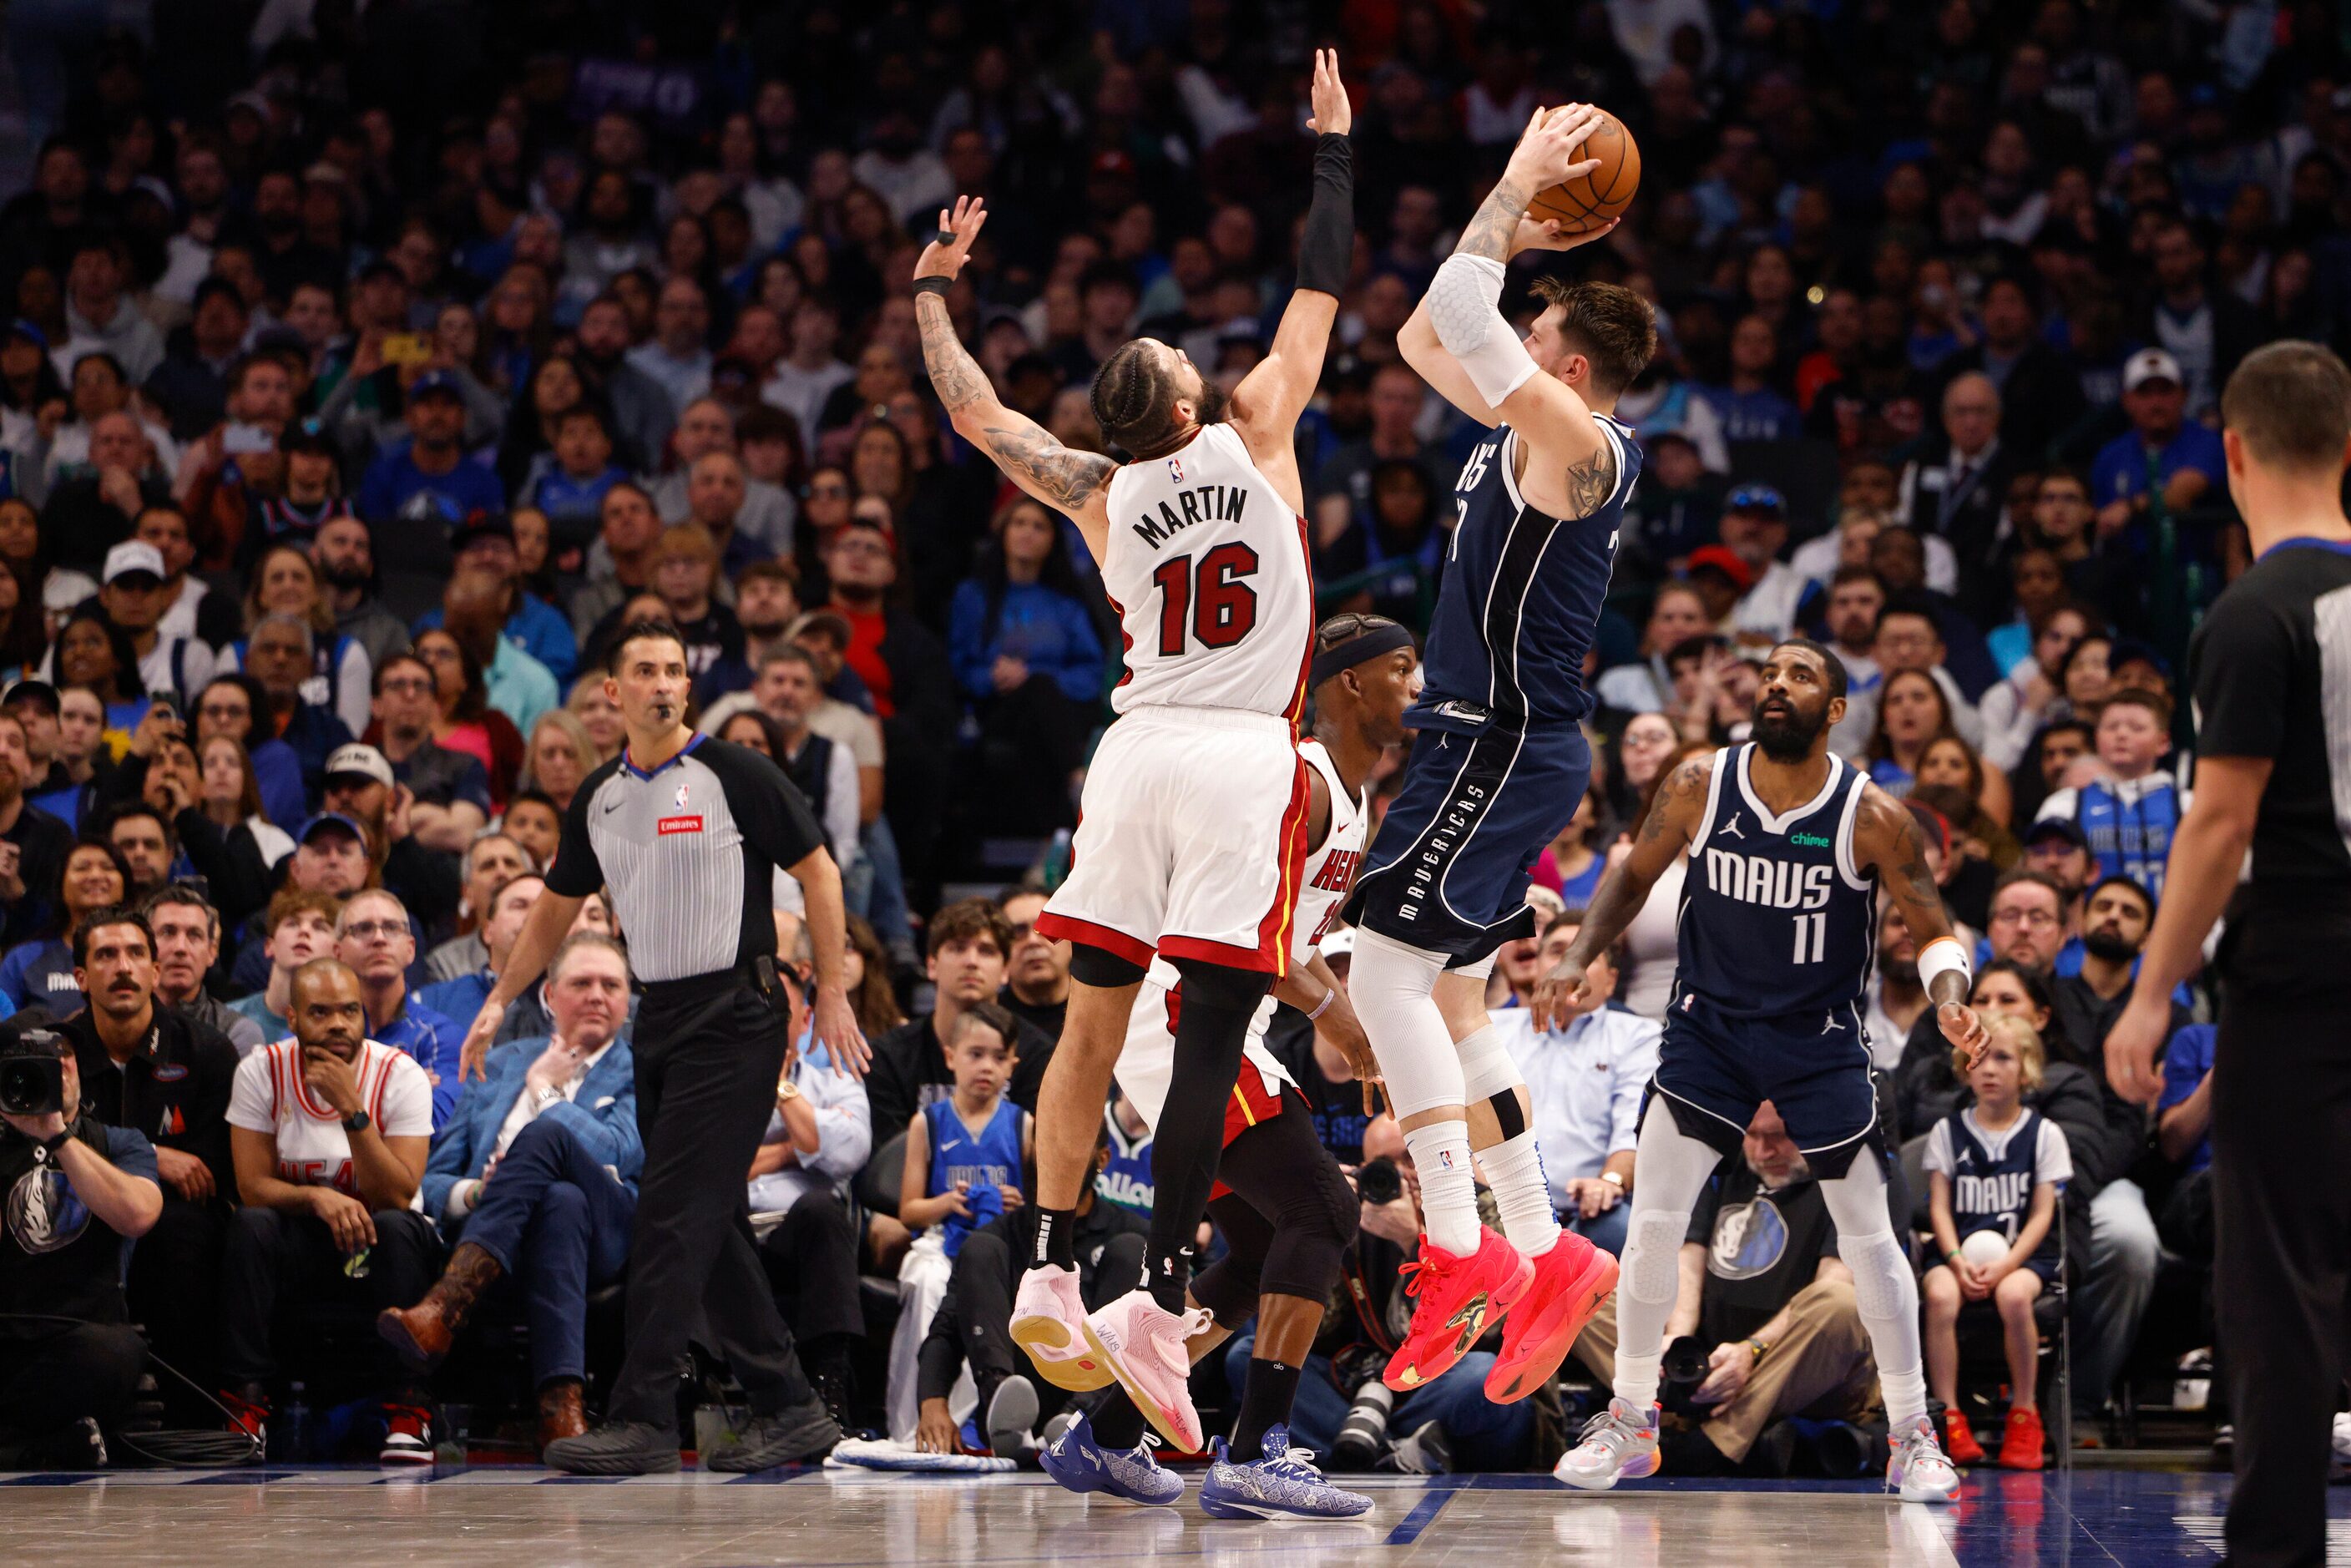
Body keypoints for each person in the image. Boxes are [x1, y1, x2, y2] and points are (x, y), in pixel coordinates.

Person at [912, 57, 1351, 1453]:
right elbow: (1321, 289)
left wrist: (932, 292)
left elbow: (979, 415)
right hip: (1230, 757)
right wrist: (1331, 155)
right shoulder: (1259, 432)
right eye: (1178, 360)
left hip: (1130, 747)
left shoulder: (1096, 490)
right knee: (1212, 1022)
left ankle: (1051, 1255)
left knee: (1092, 1018)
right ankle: (1159, 1294)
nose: (1191, 355)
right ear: (1180, 404)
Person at [1339, 104, 1645, 1405]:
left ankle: (1458, 1252)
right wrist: (1508, 220)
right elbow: (1426, 331)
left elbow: (1465, 317)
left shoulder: (1580, 449)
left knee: (1381, 967)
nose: (1519, 342)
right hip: (1484, 745)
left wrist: (1517, 189)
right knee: (1457, 1009)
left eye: (1538, 340)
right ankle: (1542, 1252)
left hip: (1502, 742)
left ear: (1571, 374)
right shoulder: (1528, 432)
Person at [1540, 640, 1984, 1504]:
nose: (1776, 684)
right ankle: (1631, 1421)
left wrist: (1948, 993)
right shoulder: (1700, 783)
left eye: (1800, 676)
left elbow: (1933, 925)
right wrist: (1580, 953)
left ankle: (1910, 1432)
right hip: (1708, 1031)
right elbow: (1631, 878)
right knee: (1655, 1222)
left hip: (1816, 1040)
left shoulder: (1871, 815)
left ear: (1833, 709)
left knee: (1868, 1239)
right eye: (1769, 672)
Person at [453, 619, 867, 1476]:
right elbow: (558, 904)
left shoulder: (733, 772)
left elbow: (820, 869)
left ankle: (640, 1415)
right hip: (662, 1018)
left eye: (674, 669)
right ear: (612, 692)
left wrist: (827, 990)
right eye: (644, 671)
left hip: (738, 1011)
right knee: (704, 1218)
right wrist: (498, 998)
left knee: (670, 1214)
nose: (662, 683)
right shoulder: (600, 795)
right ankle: (790, 1405)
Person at [1039, 615, 1404, 1512]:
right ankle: (1255, 1451)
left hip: (1216, 1026)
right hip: (1177, 1015)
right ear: (1349, 685)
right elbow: (1249, 939)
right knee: (1322, 1208)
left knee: (1252, 1254)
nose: (1419, 689)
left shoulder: (1348, 798)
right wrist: (1337, 1016)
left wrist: (1346, 1011)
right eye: (1402, 669)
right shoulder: (1299, 782)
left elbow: (1289, 940)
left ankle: (1106, 1437)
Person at [2104, 342, 2351, 1567]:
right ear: (2348, 449)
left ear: (2235, 452)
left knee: (2283, 1280)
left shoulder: (2253, 612)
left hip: (2304, 971)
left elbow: (2220, 819)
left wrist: (2153, 992)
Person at [379, 933, 641, 1455]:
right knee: (558, 1201)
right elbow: (430, 1180)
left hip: (606, 1235)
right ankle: (558, 1407)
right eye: (582, 982)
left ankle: (446, 1307)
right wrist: (477, 1192)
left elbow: (618, 1153)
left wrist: (544, 1090)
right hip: (512, 1236)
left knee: (548, 1142)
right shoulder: (499, 1063)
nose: (597, 995)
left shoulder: (638, 1069)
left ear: (627, 998)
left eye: (611, 985)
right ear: (550, 993)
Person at [1565, 1101, 1894, 1480]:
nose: (1762, 1151)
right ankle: (1662, 1409)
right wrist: (1679, 1341)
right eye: (1752, 1136)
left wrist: (1751, 1351)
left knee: (1840, 1306)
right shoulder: (1723, 1163)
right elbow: (1688, 1258)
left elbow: (1835, 1282)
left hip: (1794, 1364)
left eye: (1778, 1138)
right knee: (1581, 1290)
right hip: (1712, 1356)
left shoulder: (1851, 1174)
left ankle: (1708, 1446)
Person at [219, 956, 438, 1464]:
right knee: (250, 1226)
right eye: (320, 1012)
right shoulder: (261, 1071)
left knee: (398, 1226)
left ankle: (410, 1409)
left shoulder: (399, 1074)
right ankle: (244, 1406)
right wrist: (318, 1196)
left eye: (349, 1011)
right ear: (292, 1019)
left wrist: (352, 1110)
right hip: (301, 1246)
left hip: (386, 1249)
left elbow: (396, 1195)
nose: (339, 1024)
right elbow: (252, 1188)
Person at [59, 903, 240, 1425]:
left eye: (137, 953)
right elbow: (40, 1152)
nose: (124, 967)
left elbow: (210, 1175)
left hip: (173, 1222)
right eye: (107, 955)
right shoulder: (57, 1052)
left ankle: (192, 1415)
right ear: (80, 977)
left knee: (184, 1232)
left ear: (155, 971)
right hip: (77, 1209)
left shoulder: (206, 1052)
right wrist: (152, 1155)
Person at [0, 1014, 160, 1465]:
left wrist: (57, 1135)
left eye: (61, 1053)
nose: (52, 1065)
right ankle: (32, 1449)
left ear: (78, 1068)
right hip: (6, 1330)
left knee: (119, 1351)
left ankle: (13, 1445)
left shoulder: (121, 1142)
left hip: (75, 1338)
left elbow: (138, 1215)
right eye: (27, 1060)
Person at [1922, 1014, 2071, 1473]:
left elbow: (2044, 1215)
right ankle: (1948, 1413)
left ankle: (2025, 1411)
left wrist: (2008, 1266)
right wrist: (1953, 1258)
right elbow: (1940, 1209)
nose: (1988, 1068)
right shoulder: (1947, 1132)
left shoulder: (2045, 1134)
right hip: (1957, 1253)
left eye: (2002, 1058)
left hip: (2021, 1256)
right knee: (1939, 1295)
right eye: (1979, 1057)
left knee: (2013, 1297)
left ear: (2026, 1070)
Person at [747, 916, 872, 1427]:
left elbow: (849, 1151)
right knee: (700, 1211)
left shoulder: (833, 1078)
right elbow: (709, 1167)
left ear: (804, 1019)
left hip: (794, 1235)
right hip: (732, 1230)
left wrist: (781, 1088)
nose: (771, 1018)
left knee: (824, 1208)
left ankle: (830, 1388)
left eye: (784, 1009)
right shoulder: (713, 1085)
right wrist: (796, 1149)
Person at [887, 1002, 1030, 1442]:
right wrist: (946, 1202)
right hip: (938, 1241)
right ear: (950, 1056)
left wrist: (1017, 1204)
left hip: (998, 1249)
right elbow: (908, 1211)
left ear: (1013, 1065)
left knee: (988, 1295)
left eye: (998, 1056)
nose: (986, 1066)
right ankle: (914, 1423)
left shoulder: (1024, 1124)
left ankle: (976, 1423)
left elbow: (1041, 1209)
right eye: (975, 1054)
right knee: (930, 1284)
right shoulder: (925, 1123)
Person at [1508, 908, 1660, 1257]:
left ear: (1610, 979)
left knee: (1624, 1229)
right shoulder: (1494, 1031)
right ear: (1538, 969)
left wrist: (1610, 1183)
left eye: (1586, 955)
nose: (1569, 967)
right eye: (1558, 952)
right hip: (1498, 1207)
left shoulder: (1639, 1036)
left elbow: (1635, 1128)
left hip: (1590, 1215)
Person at [2033, 689, 2182, 902]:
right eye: (2111, 727)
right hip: (2087, 932)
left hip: (2176, 932)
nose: (2121, 734)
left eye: (2136, 728)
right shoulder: (2063, 805)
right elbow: (2042, 880)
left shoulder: (2189, 805)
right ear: (2097, 738)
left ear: (2163, 742)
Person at [144, 882, 263, 1055]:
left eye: (194, 935)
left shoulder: (235, 1032)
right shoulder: (117, 1024)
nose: (181, 948)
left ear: (211, 952)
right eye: (168, 932)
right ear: (144, 946)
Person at [228, 888, 342, 1043]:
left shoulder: (345, 1028)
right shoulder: (228, 1021)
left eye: (319, 927)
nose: (304, 931)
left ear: (338, 953)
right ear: (269, 946)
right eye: (292, 924)